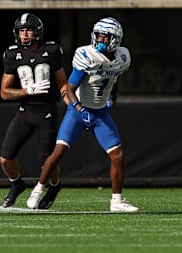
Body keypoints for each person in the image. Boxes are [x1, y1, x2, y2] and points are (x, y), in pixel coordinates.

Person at [26, 17, 139, 213]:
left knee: (117, 156)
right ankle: (37, 190)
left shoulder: (123, 57)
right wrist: (79, 109)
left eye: (105, 37)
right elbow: (69, 89)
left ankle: (117, 201)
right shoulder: (87, 55)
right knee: (58, 152)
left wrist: (113, 97)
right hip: (79, 110)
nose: (100, 40)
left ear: (115, 39)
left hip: (101, 112)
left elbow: (115, 78)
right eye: (98, 36)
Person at [0, 13, 68, 209]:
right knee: (5, 158)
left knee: (46, 160)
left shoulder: (52, 50)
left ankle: (54, 186)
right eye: (21, 31)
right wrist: (27, 90)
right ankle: (16, 184)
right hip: (25, 110)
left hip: (46, 110)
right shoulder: (12, 54)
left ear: (37, 31)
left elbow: (62, 85)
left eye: (28, 30)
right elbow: (4, 92)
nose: (25, 34)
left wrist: (73, 105)